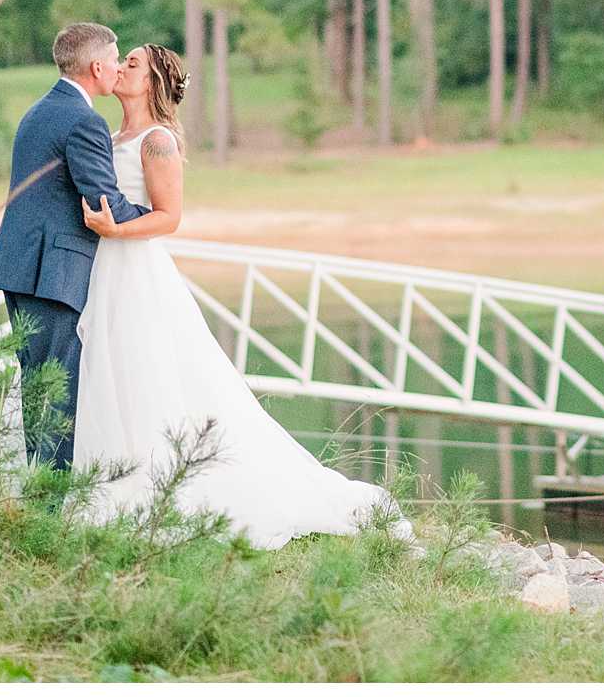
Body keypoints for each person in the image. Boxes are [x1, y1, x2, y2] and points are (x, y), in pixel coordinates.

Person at [71, 42, 410, 548]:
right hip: (101, 269)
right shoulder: (111, 133)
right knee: (103, 366)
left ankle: (155, 483)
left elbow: (170, 217)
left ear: (154, 83)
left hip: (134, 268)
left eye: (133, 64)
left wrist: (115, 232)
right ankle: (105, 474)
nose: (121, 68)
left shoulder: (157, 141)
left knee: (143, 370)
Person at [0, 22, 150, 470]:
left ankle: (39, 491)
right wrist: (153, 218)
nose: (119, 68)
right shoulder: (84, 121)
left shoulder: (37, 110)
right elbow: (104, 202)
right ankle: (50, 505)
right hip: (53, 273)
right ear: (97, 67)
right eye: (116, 60)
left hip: (21, 268)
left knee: (38, 387)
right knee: (58, 392)